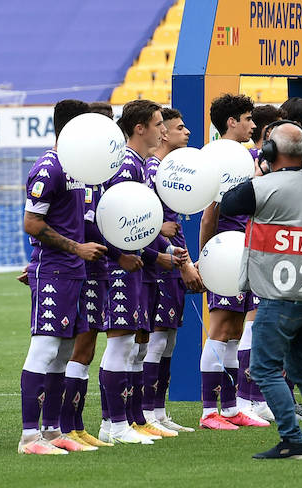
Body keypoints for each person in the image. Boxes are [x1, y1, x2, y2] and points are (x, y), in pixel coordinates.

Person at [219, 122, 302, 460]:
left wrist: (260, 171)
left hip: (280, 295)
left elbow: (229, 202)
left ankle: (292, 440)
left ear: (269, 152)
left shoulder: (267, 186)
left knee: (264, 369)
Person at [18, 99, 106, 455]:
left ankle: (53, 431)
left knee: (64, 351)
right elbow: (32, 223)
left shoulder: (78, 166)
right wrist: (76, 249)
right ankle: (28, 437)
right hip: (56, 270)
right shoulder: (49, 167)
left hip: (74, 272)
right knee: (45, 348)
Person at [97, 99, 178, 445]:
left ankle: (130, 420)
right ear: (140, 128)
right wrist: (143, 252)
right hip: (122, 266)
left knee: (134, 346)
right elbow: (113, 219)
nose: (164, 130)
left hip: (139, 264)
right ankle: (113, 424)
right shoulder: (125, 167)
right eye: (159, 124)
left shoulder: (139, 165)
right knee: (121, 344)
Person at [197, 93, 269, 430]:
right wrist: (206, 260)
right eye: (247, 119)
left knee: (236, 332)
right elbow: (208, 216)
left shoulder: (244, 158)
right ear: (231, 122)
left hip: (246, 251)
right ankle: (209, 411)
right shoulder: (219, 160)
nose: (253, 125)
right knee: (220, 329)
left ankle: (230, 408)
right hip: (224, 254)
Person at [141, 107, 202, 432]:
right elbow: (149, 221)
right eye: (179, 127)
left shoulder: (167, 170)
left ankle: (158, 411)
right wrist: (180, 263)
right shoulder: (152, 170)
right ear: (163, 132)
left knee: (168, 341)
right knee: (157, 339)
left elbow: (173, 225)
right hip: (160, 263)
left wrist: (187, 261)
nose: (186, 132)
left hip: (173, 260)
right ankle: (147, 413)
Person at [58, 100, 113, 448]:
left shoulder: (97, 172)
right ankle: (62, 426)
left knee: (87, 348)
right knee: (74, 349)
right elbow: (48, 220)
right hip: (75, 269)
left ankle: (75, 425)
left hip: (96, 267)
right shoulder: (67, 169)